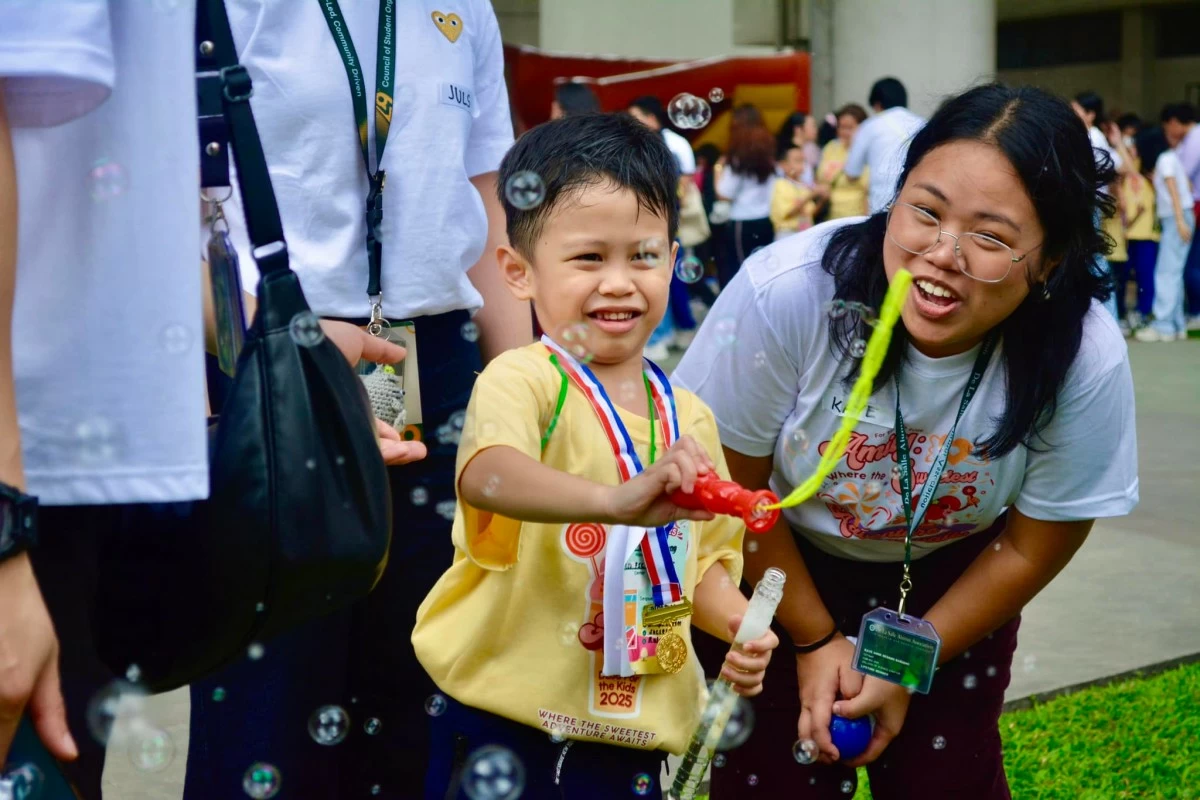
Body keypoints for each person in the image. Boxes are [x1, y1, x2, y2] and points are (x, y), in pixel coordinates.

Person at [675, 83, 1138, 797]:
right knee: (769, 775)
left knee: (945, 778)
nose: (942, 254)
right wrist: (809, 636)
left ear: (1049, 259)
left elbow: (1031, 543)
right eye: (924, 211)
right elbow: (734, 494)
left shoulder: (1082, 354)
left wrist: (904, 659)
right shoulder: (790, 293)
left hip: (956, 581)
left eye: (990, 237)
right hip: (776, 568)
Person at [186, 2, 532, 796]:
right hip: (271, 355)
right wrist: (272, 353)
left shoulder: (462, 8)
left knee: (421, 685)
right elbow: (179, 205)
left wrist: (525, 393)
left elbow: (483, 196)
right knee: (267, 708)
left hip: (435, 365)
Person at [413, 112, 779, 799]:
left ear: (673, 259)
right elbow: (487, 474)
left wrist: (736, 622)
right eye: (589, 258)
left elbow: (698, 560)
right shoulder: (524, 381)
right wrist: (613, 503)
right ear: (519, 272)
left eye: (642, 256)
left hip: (630, 739)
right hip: (506, 721)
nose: (619, 282)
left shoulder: (689, 417)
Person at [627, 96, 700, 358]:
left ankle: (662, 336)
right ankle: (672, 332)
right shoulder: (639, 147)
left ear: (651, 118)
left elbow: (683, 187)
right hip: (652, 223)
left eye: (635, 115)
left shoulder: (668, 148)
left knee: (665, 277)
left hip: (661, 222)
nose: (630, 122)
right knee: (667, 277)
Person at [1134, 125, 1195, 342]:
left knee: (1166, 273)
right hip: (1180, 216)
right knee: (1173, 272)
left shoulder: (1165, 160)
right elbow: (1185, 186)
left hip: (1176, 219)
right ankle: (1176, 325)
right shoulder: (1170, 158)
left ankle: (1163, 326)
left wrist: (1179, 220)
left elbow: (1174, 191)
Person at [716, 105, 777, 286]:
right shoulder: (768, 150)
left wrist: (718, 168)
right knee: (764, 271)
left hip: (742, 223)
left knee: (743, 274)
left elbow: (724, 194)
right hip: (766, 219)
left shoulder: (738, 157)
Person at [844, 77, 924, 214]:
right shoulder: (922, 124)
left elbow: (852, 173)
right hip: (917, 205)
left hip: (881, 207)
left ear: (877, 104)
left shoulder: (869, 126)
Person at [1161, 103, 1200, 330]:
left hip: (1192, 204)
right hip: (1190, 205)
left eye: (1168, 126)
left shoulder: (1195, 138)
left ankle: (1193, 311)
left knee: (1189, 265)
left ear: (1174, 122)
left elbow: (1181, 174)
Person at [1121, 134, 1160, 330]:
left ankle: (1144, 313)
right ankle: (1129, 313)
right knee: (1124, 276)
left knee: (1145, 275)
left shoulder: (1145, 176)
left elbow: (1130, 167)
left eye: (1133, 148)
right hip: (1126, 236)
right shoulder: (1124, 176)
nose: (1130, 152)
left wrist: (1119, 141)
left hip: (1145, 235)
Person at [815, 103, 869, 221]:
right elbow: (819, 179)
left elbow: (867, 192)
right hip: (828, 216)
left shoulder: (866, 153)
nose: (844, 132)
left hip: (854, 217)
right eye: (841, 127)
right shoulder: (831, 148)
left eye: (849, 128)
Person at [770, 144, 817, 239]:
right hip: (787, 234)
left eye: (803, 161)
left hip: (804, 232)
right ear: (784, 165)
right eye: (797, 161)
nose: (802, 165)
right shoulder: (780, 184)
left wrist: (822, 199)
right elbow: (787, 213)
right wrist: (811, 195)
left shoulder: (804, 186)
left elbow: (811, 213)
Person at [776, 111, 821, 186]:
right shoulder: (786, 153)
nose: (816, 130)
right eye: (813, 126)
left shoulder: (808, 149)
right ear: (798, 129)